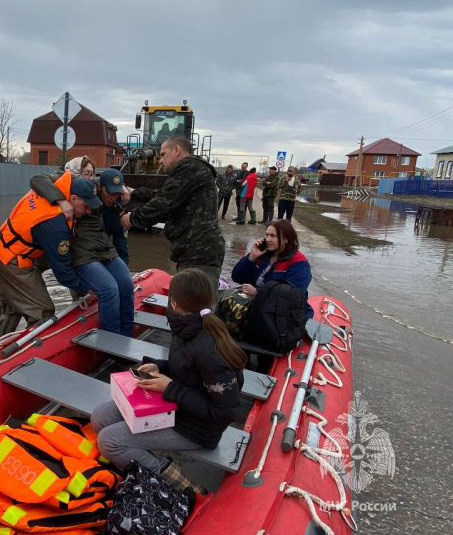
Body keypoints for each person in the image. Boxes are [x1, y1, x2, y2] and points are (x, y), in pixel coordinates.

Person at [91, 269, 247, 494]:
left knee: (109, 441)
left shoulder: (210, 352)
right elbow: (184, 366)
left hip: (196, 429)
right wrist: (159, 366)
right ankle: (139, 461)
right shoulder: (184, 326)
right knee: (100, 416)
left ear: (173, 303)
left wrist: (170, 388)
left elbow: (225, 412)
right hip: (176, 407)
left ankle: (182, 485)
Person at [0, 175, 103, 339]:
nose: (89, 211)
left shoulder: (54, 190)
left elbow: (38, 178)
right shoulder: (55, 225)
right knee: (42, 311)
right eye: (86, 206)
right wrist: (88, 289)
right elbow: (63, 273)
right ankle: (25, 356)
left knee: (14, 307)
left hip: (1, 249)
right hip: (12, 260)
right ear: (74, 198)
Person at [29, 168, 133, 336]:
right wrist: (61, 200)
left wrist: (123, 186)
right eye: (110, 193)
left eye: (116, 193)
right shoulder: (78, 188)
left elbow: (120, 238)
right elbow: (37, 178)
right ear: (100, 187)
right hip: (84, 254)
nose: (113, 197)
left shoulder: (112, 200)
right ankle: (112, 340)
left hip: (106, 250)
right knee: (109, 289)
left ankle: (127, 335)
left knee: (127, 284)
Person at [121, 136, 225, 296]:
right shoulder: (193, 169)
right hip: (196, 251)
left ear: (176, 150)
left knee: (194, 308)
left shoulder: (188, 168)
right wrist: (134, 191)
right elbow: (164, 195)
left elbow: (162, 204)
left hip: (198, 252)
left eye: (163, 155)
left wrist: (132, 218)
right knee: (189, 306)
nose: (160, 161)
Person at [231, 219, 313, 370]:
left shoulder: (299, 264)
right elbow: (237, 277)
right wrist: (251, 257)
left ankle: (266, 367)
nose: (268, 239)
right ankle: (242, 362)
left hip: (282, 316)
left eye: (273, 236)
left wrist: (258, 293)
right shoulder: (263, 255)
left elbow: (291, 297)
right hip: (256, 310)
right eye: (267, 235)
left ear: (286, 238)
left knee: (266, 352)